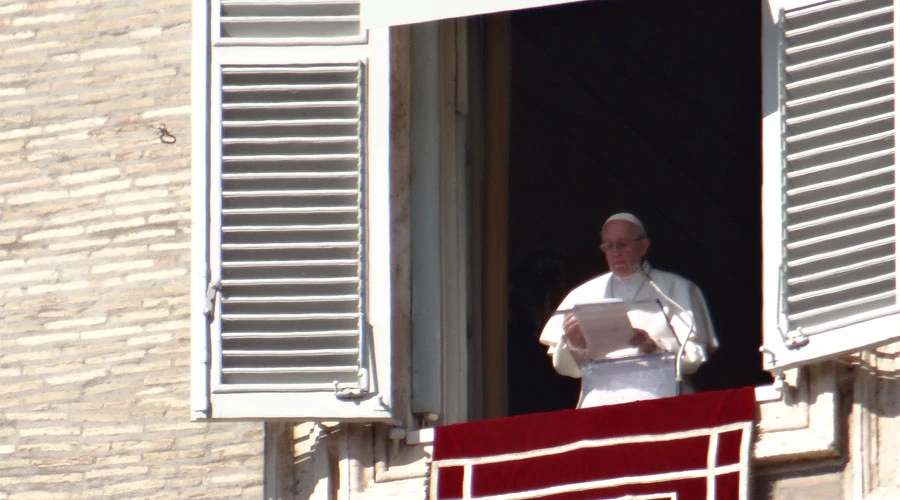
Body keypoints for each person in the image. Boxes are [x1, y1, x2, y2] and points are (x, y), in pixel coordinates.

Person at [539, 212, 718, 408]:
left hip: (661, 400)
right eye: (608, 246)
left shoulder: (676, 289)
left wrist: (655, 348)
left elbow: (695, 357)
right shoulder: (583, 294)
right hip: (601, 403)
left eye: (622, 244)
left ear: (643, 246)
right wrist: (573, 346)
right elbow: (566, 369)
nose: (615, 252)